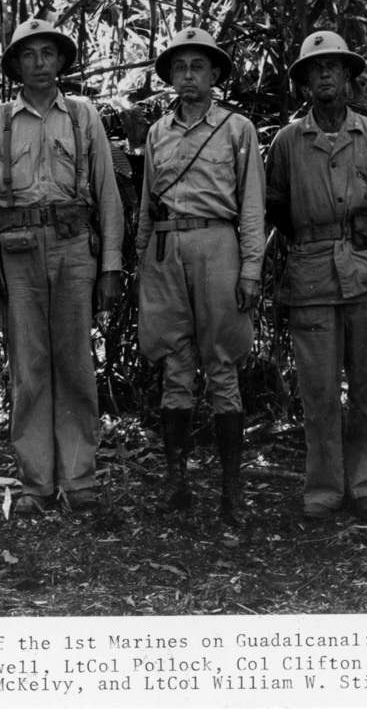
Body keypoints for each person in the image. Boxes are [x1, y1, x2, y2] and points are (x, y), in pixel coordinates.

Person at [0, 18, 123, 515]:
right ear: (15, 66)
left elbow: (107, 194)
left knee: (75, 362)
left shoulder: (83, 115)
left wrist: (111, 266)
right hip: (17, 252)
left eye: (48, 53)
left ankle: (78, 479)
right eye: (29, 55)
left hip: (74, 249)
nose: (39, 64)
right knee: (28, 366)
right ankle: (36, 484)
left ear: (61, 61)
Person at [265, 30, 367, 523]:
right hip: (311, 272)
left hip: (365, 266)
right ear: (305, 80)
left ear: (348, 75)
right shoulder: (288, 142)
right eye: (315, 68)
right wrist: (316, 239)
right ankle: (324, 488)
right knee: (319, 389)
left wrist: (357, 234)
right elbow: (277, 207)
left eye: (333, 66)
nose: (324, 74)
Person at [135, 27, 265, 527]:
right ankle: (177, 484)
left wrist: (250, 270)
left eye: (198, 67)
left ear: (214, 75)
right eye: (180, 67)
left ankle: (232, 492)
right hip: (166, 249)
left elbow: (251, 206)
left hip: (217, 245)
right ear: (170, 76)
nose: (188, 76)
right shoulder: (157, 132)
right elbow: (147, 205)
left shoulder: (236, 128)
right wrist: (143, 260)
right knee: (175, 364)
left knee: (223, 364)